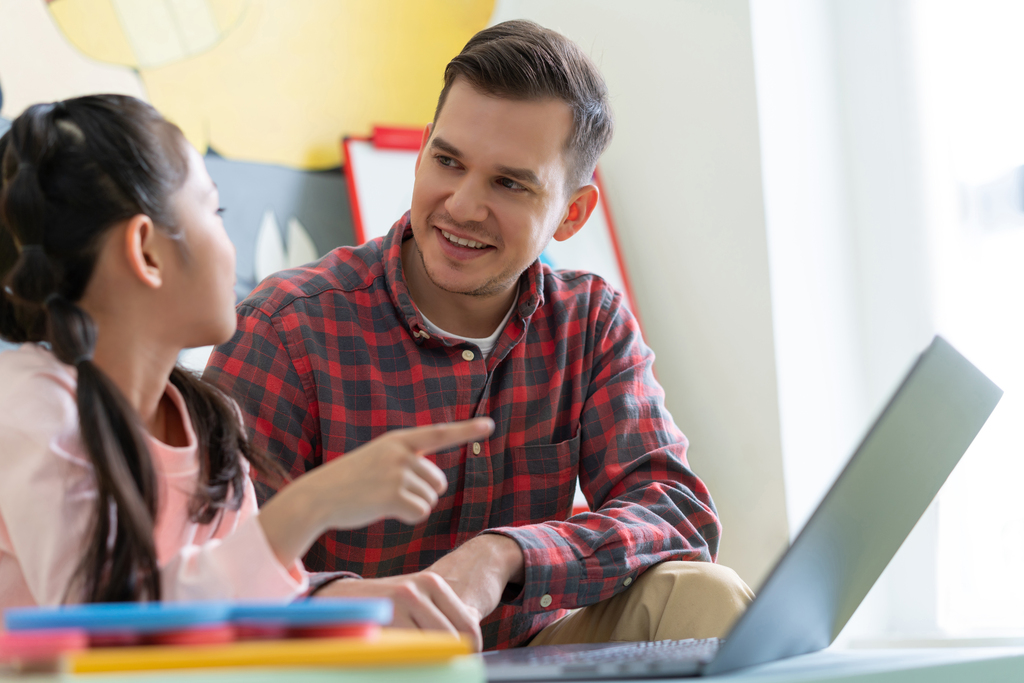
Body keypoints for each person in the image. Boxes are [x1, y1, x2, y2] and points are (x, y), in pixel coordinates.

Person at [205, 20, 754, 652]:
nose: (462, 205)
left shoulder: (590, 322)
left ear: (571, 214)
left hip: (528, 659)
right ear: (421, 155)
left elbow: (676, 514)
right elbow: (215, 566)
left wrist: (503, 556)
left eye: (509, 183)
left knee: (707, 597)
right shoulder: (287, 327)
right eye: (448, 161)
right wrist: (359, 604)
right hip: (353, 662)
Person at [0, 95, 493, 611]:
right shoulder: (33, 409)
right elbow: (103, 625)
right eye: (215, 211)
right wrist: (312, 504)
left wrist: (379, 606)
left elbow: (235, 607)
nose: (230, 242)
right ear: (147, 252)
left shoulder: (209, 420)